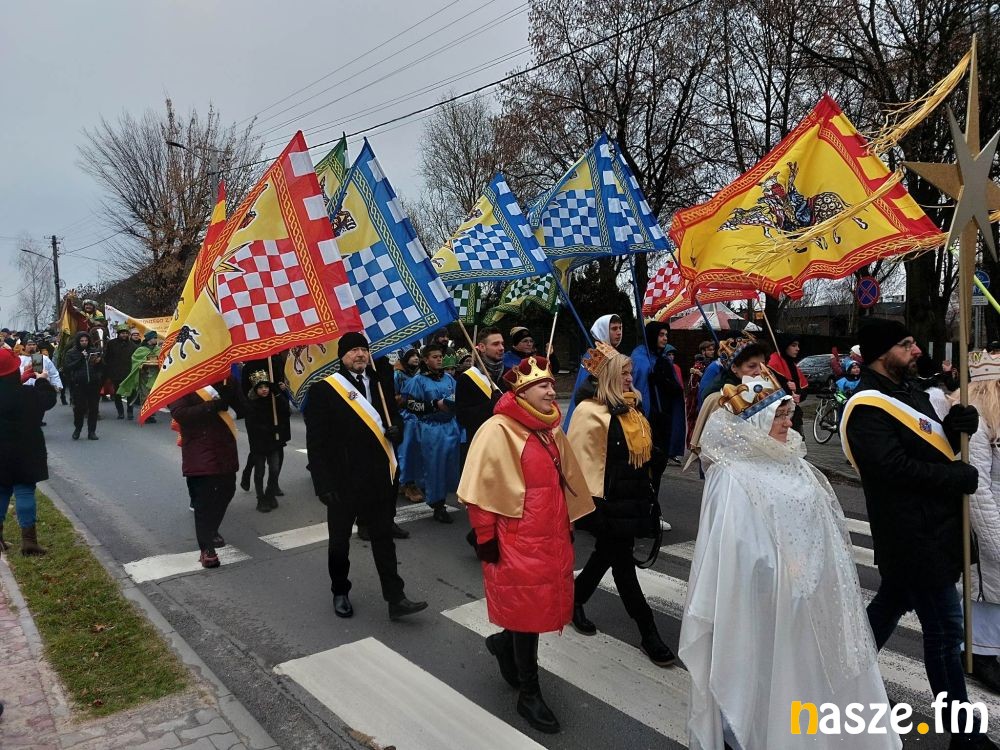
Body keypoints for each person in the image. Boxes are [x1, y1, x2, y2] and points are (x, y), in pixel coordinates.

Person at [681, 374, 900, 749]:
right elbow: (733, 549)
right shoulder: (732, 477)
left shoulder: (796, 464)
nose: (787, 423)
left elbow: (821, 528)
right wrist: (779, 574)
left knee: (803, 678)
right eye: (778, 416)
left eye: (788, 415)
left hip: (809, 599)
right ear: (756, 422)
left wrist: (817, 574)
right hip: (765, 598)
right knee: (765, 678)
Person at [842, 318, 996, 748]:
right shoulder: (867, 407)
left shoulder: (910, 392)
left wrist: (958, 426)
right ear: (881, 353)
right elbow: (891, 468)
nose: (916, 350)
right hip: (911, 537)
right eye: (906, 344)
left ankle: (840, 677)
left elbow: (930, 446)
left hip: (935, 531)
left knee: (887, 608)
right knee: (946, 634)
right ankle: (965, 737)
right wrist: (955, 478)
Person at [458, 354, 593, 734]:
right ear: (522, 392)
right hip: (515, 540)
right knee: (527, 612)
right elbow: (481, 494)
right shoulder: (498, 430)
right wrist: (486, 540)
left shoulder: (550, 429)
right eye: (543, 385)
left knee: (535, 608)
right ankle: (529, 694)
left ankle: (505, 644)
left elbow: (564, 483)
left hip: (548, 536)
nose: (552, 391)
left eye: (551, 383)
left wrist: (567, 523)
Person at [303, 332, 426, 620]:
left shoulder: (379, 384)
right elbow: (316, 443)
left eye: (363, 349)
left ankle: (395, 598)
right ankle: (340, 591)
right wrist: (323, 484)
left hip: (378, 478)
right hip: (343, 482)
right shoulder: (325, 390)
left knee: (384, 539)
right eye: (353, 350)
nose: (359, 354)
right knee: (339, 542)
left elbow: (394, 419)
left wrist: (397, 430)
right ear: (342, 356)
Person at [567, 341, 676, 667]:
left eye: (630, 372)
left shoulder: (631, 406)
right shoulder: (589, 412)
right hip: (606, 504)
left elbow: (639, 455)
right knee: (623, 566)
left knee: (607, 555)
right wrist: (585, 509)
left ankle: (573, 600)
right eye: (623, 373)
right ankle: (648, 631)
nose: (630, 378)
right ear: (607, 377)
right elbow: (577, 465)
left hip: (632, 500)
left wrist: (656, 454)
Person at [169, 381, 242, 569]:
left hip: (225, 447)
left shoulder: (224, 378)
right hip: (199, 448)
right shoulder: (181, 380)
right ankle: (207, 549)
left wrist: (232, 393)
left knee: (227, 491)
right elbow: (180, 413)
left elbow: (243, 409)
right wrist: (213, 405)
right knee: (204, 501)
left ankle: (211, 530)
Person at [0, 348, 57, 555]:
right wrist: (41, 380)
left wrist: (24, 378)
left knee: (2, 491)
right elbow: (49, 399)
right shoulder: (29, 394)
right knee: (24, 491)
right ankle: (29, 541)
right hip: (26, 451)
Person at [966, 350, 1000, 692]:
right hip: (991, 520)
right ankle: (979, 653)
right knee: (987, 589)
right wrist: (995, 539)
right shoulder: (978, 421)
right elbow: (978, 488)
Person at [402, 342, 461, 523]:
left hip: (450, 427)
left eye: (440, 357)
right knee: (434, 467)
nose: (439, 360)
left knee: (450, 465)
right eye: (435, 357)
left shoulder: (449, 379)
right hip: (431, 428)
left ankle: (445, 494)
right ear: (425, 360)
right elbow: (411, 405)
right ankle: (437, 504)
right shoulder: (418, 381)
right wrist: (434, 405)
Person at [455, 327, 508, 466]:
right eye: (495, 344)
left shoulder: (509, 375)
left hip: (508, 443)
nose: (501, 348)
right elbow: (462, 417)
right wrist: (491, 406)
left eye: (502, 343)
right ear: (482, 347)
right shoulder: (467, 378)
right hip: (481, 445)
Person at [564, 313, 624, 429]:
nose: (619, 332)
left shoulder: (615, 355)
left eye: (620, 328)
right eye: (614, 329)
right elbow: (586, 389)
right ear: (603, 331)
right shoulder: (594, 357)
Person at [243, 369, 291, 513]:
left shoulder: (274, 400)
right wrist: (269, 429)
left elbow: (286, 411)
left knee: (275, 469)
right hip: (259, 444)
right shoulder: (251, 404)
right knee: (260, 471)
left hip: (274, 443)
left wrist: (277, 393)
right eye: (260, 387)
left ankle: (270, 493)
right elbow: (252, 425)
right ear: (255, 389)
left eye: (266, 387)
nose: (264, 390)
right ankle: (261, 498)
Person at [393, 348, 425, 504]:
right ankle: (407, 482)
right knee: (406, 450)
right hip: (405, 417)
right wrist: (404, 399)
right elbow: (392, 397)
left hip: (421, 415)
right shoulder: (397, 375)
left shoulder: (420, 374)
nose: (416, 358)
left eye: (417, 355)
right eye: (412, 356)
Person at [63, 330, 102, 440]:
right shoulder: (71, 352)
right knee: (79, 409)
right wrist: (81, 358)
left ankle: (92, 431)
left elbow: (101, 368)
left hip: (93, 384)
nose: (84, 342)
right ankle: (78, 429)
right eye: (82, 340)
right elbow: (67, 367)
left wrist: (99, 362)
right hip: (78, 384)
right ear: (78, 341)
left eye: (86, 340)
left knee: (93, 408)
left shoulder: (93, 351)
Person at [766, 332, 808, 435]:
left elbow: (803, 389)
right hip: (778, 416)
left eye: (798, 345)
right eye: (793, 345)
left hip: (795, 415)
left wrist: (799, 394)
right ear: (785, 346)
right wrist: (786, 388)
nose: (797, 349)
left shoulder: (793, 365)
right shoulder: (773, 364)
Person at [118, 331, 161, 422]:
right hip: (144, 376)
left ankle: (151, 414)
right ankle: (146, 414)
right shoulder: (141, 350)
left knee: (153, 395)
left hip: (155, 376)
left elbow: (162, 358)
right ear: (149, 339)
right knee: (145, 395)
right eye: (154, 338)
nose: (156, 340)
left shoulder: (158, 349)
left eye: (156, 338)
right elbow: (135, 360)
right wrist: (144, 362)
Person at [103, 324, 137, 419]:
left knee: (130, 393)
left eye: (126, 333)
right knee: (117, 394)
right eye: (122, 333)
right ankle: (120, 412)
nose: (124, 335)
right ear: (118, 334)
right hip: (116, 373)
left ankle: (130, 412)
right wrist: (109, 372)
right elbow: (107, 358)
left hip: (129, 373)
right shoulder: (111, 344)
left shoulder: (133, 346)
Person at [685, 340, 715, 447]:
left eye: (713, 350)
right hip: (698, 397)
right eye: (709, 350)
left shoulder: (711, 363)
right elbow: (694, 384)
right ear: (703, 351)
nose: (712, 352)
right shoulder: (699, 365)